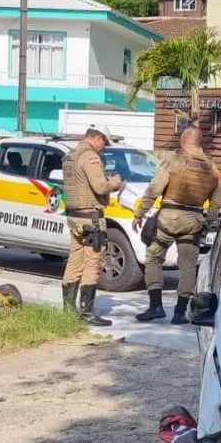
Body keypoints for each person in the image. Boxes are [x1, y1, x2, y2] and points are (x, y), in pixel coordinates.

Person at [133, 126, 221, 325]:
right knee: (188, 267)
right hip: (193, 220)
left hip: (169, 218)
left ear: (183, 141)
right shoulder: (212, 168)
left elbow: (154, 189)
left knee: (154, 257)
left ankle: (155, 306)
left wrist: (140, 213)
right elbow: (216, 204)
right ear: (200, 143)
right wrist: (208, 223)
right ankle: (180, 313)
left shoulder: (173, 161)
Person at [61, 125, 123, 327]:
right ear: (97, 138)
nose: (103, 147)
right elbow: (100, 186)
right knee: (92, 264)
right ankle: (87, 312)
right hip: (91, 219)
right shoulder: (90, 157)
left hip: (75, 217)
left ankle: (69, 311)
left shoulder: (71, 156)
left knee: (74, 262)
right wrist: (114, 182)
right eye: (104, 142)